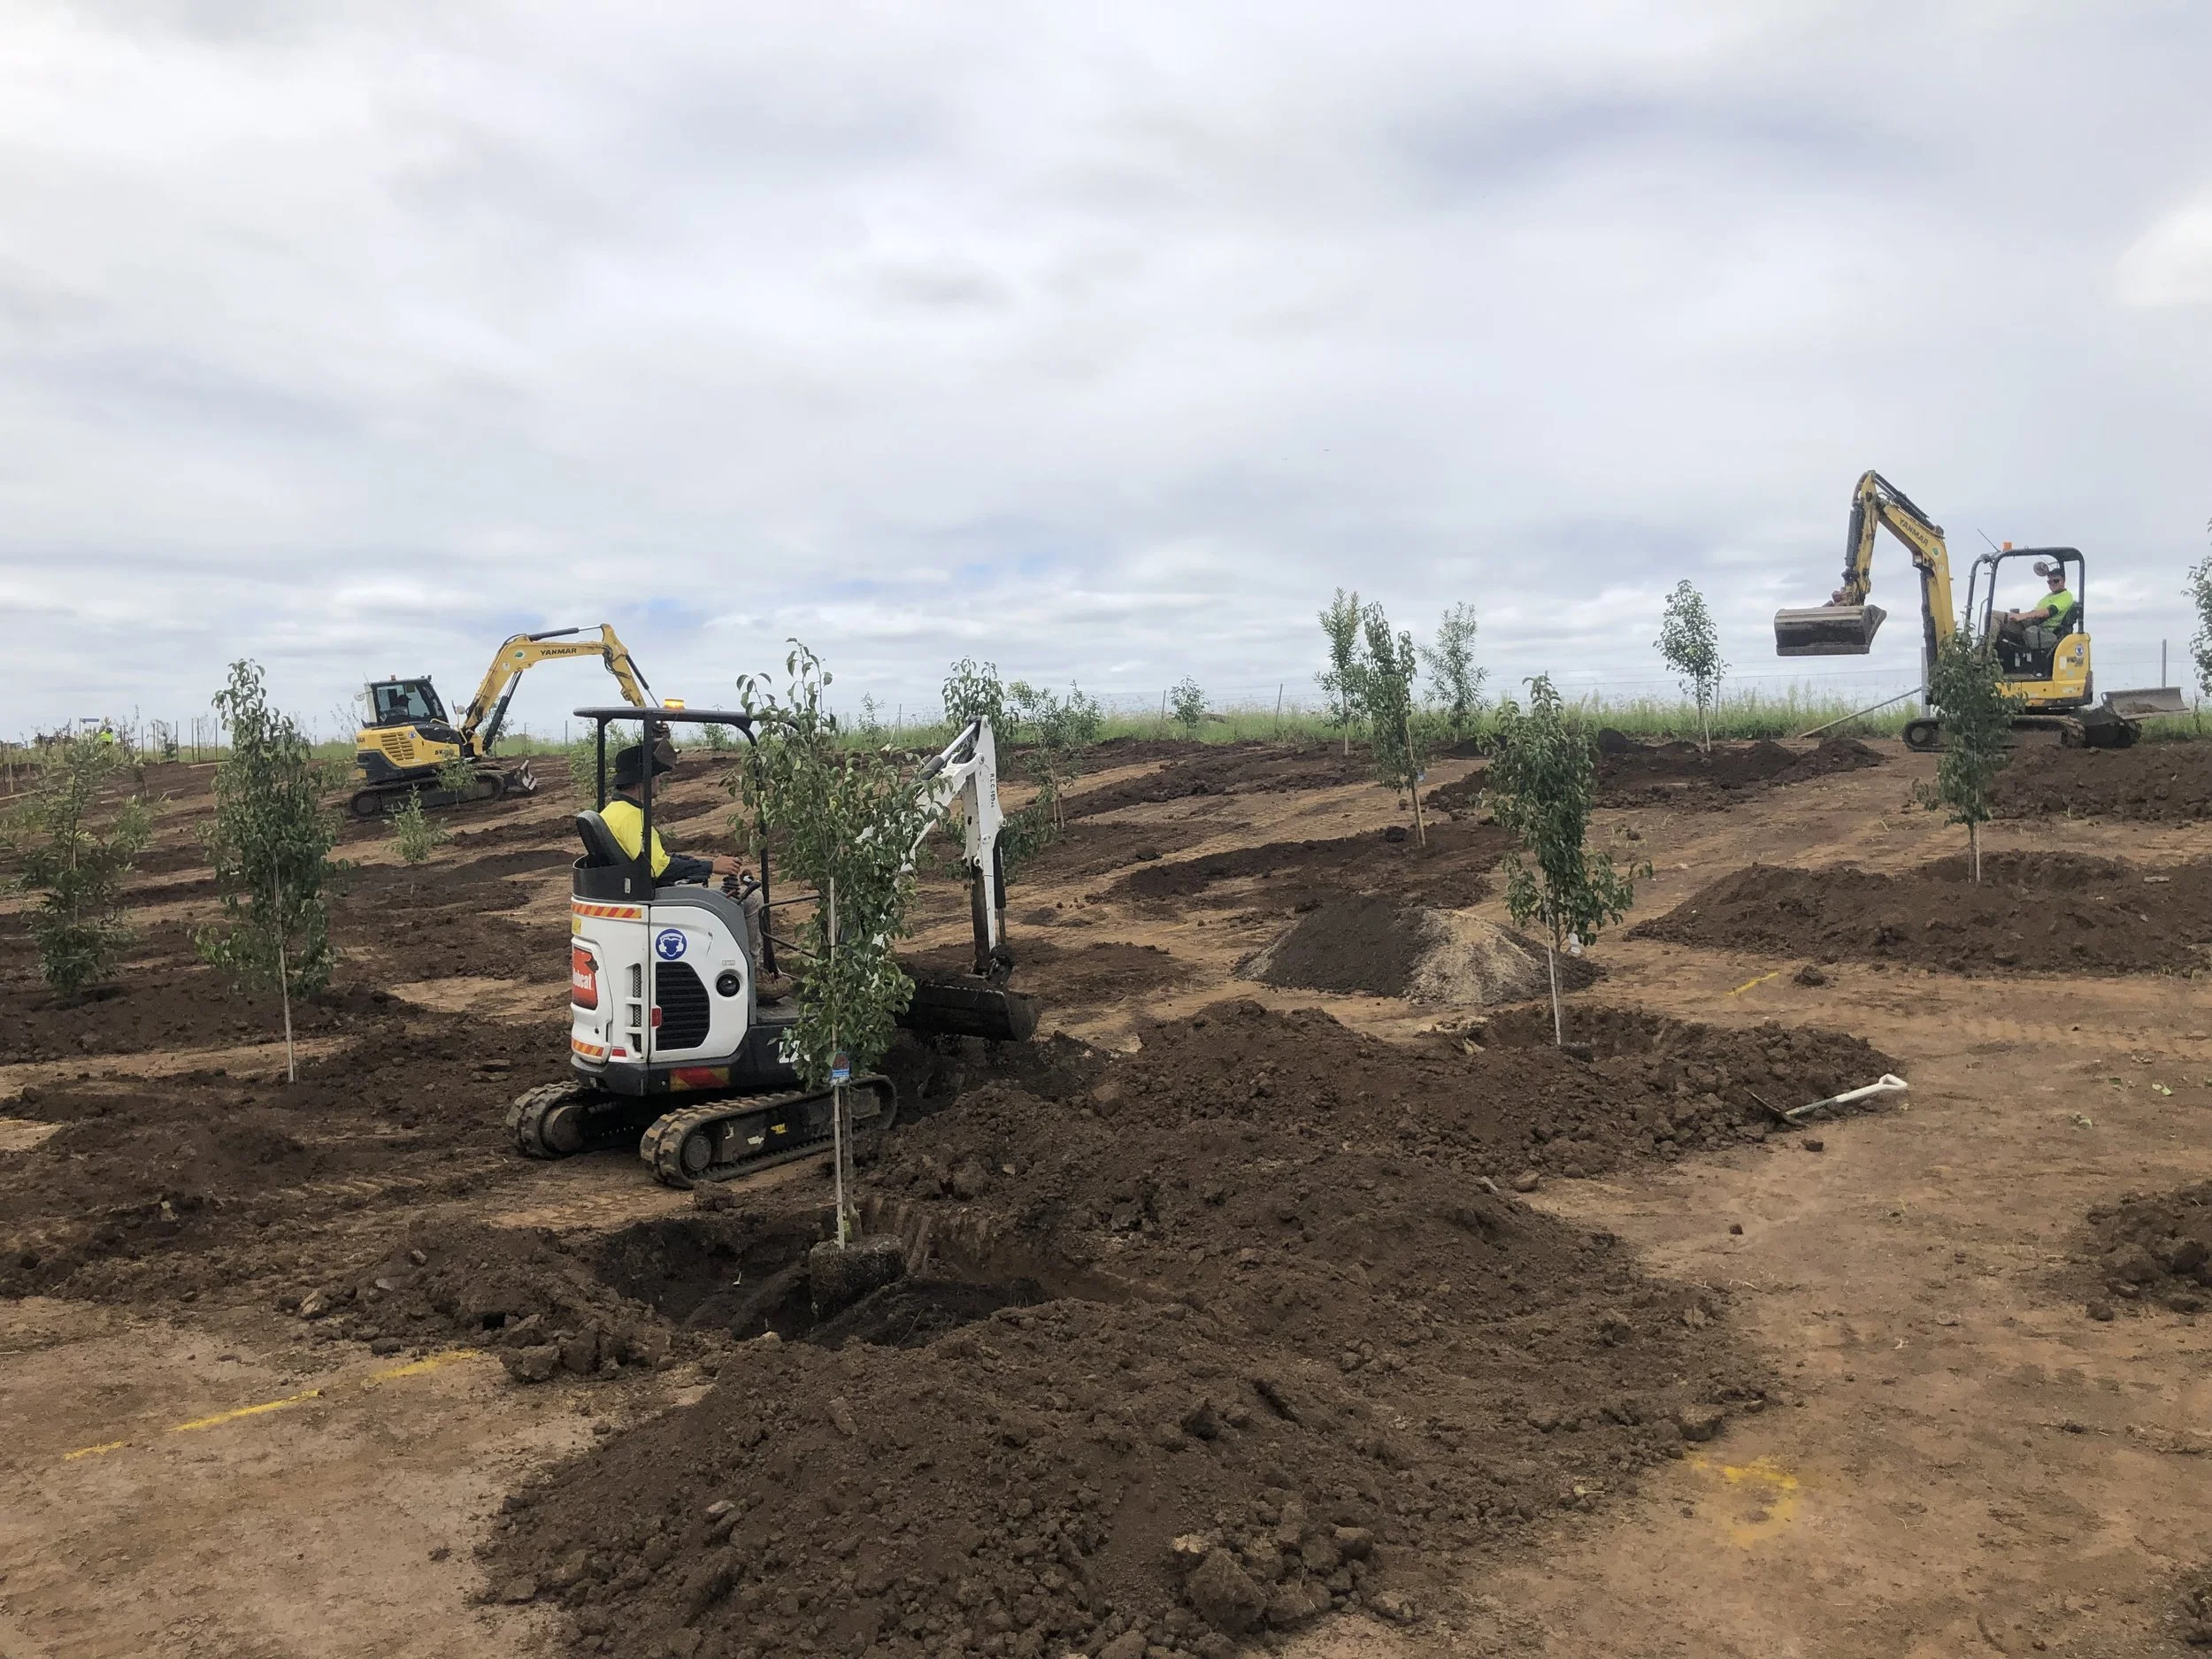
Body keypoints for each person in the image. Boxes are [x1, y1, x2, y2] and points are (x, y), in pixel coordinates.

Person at [599, 742, 746, 886]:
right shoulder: (631, 817)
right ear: (643, 780)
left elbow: (656, 859)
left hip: (634, 887)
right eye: (656, 775)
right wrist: (711, 867)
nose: (659, 780)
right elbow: (659, 869)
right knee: (752, 899)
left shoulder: (614, 811)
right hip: (650, 892)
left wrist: (700, 861)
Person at [1996, 560, 2076, 664]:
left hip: (2040, 628)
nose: (2052, 584)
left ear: (2064, 580)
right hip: (2030, 623)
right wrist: (2019, 616)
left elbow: (2048, 612)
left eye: (2055, 581)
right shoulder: (2050, 596)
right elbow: (2036, 611)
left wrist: (2023, 616)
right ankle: (1996, 658)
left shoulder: (2066, 596)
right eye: (2049, 581)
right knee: (1993, 618)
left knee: (1994, 617)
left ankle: (1984, 655)